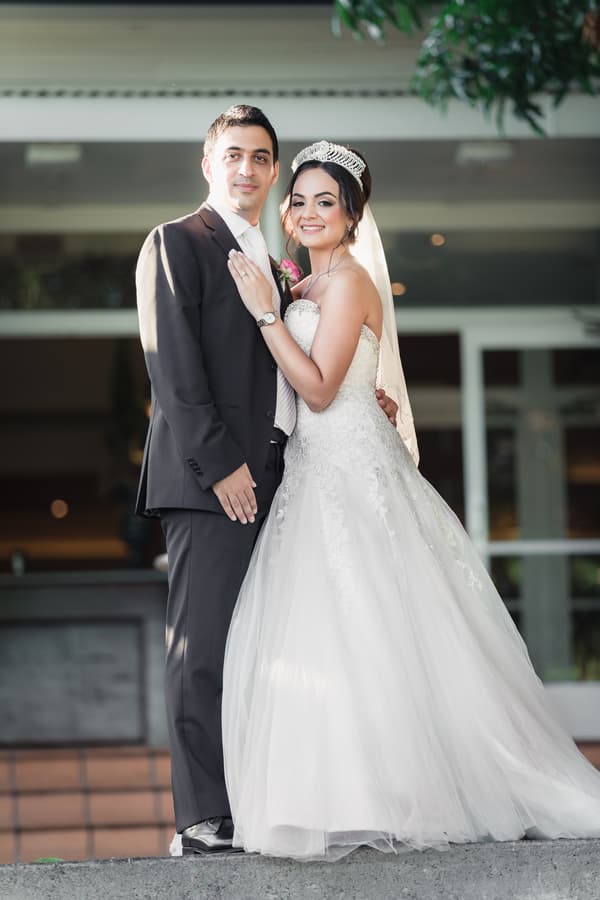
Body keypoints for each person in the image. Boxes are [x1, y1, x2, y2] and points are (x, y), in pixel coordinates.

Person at [221, 141, 600, 861]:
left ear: (353, 213)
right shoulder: (302, 288)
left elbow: (323, 388)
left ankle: (407, 793)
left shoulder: (352, 283)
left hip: (351, 469)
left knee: (377, 624)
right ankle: (342, 795)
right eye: (297, 199)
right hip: (313, 472)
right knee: (329, 634)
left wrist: (266, 317)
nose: (305, 212)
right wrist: (278, 306)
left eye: (324, 201)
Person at [135, 109, 398, 857]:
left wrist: (355, 399)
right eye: (233, 155)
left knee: (267, 652)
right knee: (205, 649)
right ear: (207, 162)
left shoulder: (281, 263)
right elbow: (175, 368)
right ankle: (200, 818)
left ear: (273, 172)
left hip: (285, 476)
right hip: (212, 479)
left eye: (259, 158)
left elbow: (295, 365)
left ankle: (256, 801)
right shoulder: (176, 243)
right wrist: (220, 468)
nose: (246, 169)